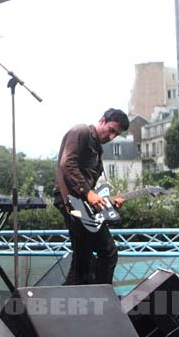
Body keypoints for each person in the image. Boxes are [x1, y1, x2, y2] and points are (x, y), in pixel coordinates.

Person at [53, 108, 130, 285]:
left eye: (116, 135)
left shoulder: (98, 151)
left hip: (80, 202)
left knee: (83, 258)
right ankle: (102, 300)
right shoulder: (80, 131)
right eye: (111, 130)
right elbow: (67, 163)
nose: (111, 137)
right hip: (71, 200)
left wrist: (107, 202)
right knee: (106, 251)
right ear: (102, 120)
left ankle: (82, 302)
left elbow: (90, 188)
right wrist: (88, 194)